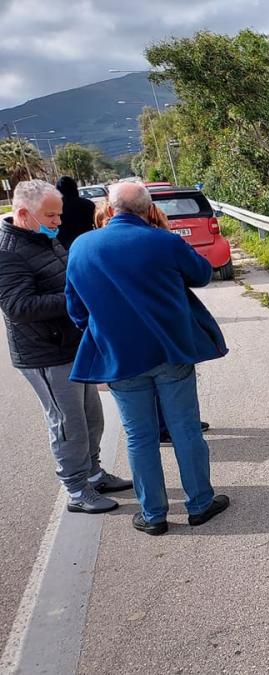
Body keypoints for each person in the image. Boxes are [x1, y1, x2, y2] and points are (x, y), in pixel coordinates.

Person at [65, 182, 230, 536]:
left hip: (119, 356)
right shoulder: (163, 241)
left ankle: (153, 514)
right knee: (185, 428)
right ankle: (200, 503)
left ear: (109, 210)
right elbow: (202, 274)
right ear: (149, 209)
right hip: (170, 350)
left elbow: (76, 310)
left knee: (138, 436)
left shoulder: (81, 246)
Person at [0, 180, 131, 513]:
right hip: (45, 353)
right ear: (24, 214)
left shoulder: (44, 239)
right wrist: (77, 297)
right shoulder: (8, 252)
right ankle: (76, 489)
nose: (58, 221)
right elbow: (19, 307)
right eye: (51, 215)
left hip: (71, 346)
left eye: (58, 215)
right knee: (66, 424)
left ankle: (93, 472)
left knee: (91, 417)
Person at [54, 176, 96, 251]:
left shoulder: (55, 208)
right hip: (88, 242)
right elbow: (96, 223)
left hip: (66, 247)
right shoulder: (88, 204)